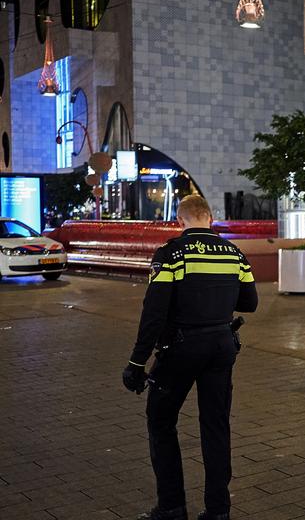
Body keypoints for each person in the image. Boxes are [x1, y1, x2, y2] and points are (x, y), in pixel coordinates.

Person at [122, 194, 259, 520]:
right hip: (222, 347)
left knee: (161, 420)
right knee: (216, 426)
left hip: (180, 349)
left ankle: (171, 506)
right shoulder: (234, 253)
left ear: (180, 220)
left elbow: (153, 313)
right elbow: (250, 302)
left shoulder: (170, 254)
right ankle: (218, 511)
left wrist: (137, 363)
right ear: (209, 217)